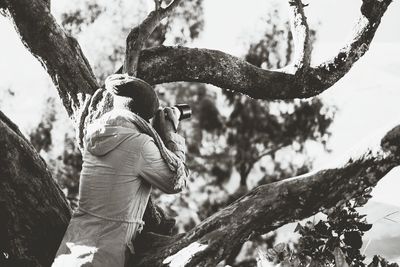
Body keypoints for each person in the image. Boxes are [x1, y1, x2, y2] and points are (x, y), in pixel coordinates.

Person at [52, 74, 188, 267]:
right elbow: (175, 181)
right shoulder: (139, 144)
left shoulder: (95, 133)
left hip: (70, 252)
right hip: (104, 257)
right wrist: (170, 134)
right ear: (146, 116)